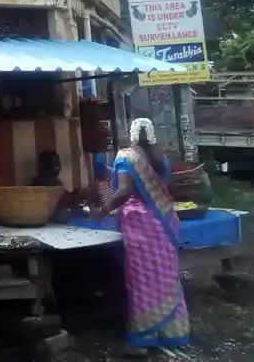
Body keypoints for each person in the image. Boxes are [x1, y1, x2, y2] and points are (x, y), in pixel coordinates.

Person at [89, 118, 189, 357]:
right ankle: (172, 333)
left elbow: (124, 191)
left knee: (143, 281)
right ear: (151, 134)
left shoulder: (126, 157)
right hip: (164, 222)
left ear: (132, 135)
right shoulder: (160, 157)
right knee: (166, 278)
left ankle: (142, 339)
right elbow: (168, 189)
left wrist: (102, 211)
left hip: (140, 226)